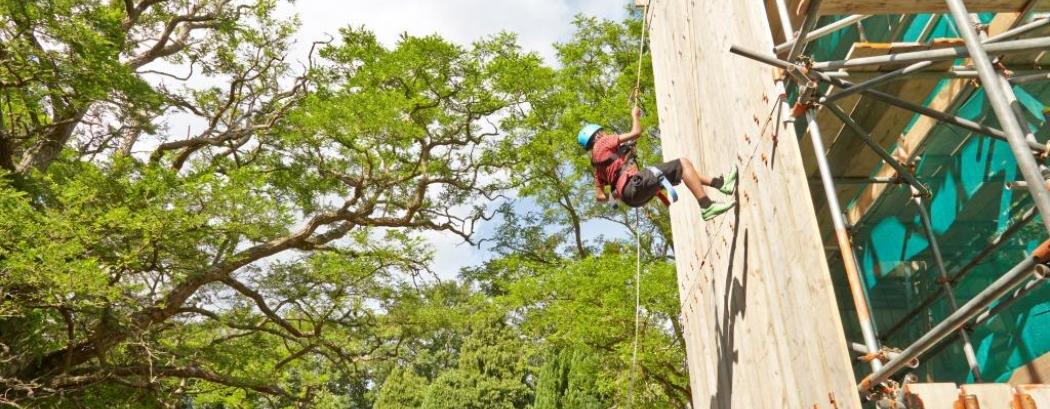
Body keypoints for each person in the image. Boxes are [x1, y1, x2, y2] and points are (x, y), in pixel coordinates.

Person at [578, 106, 737, 221]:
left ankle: (721, 184)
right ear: (597, 135)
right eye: (602, 132)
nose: (605, 133)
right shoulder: (603, 142)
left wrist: (615, 191)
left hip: (632, 199)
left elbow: (600, 197)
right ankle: (706, 206)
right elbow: (636, 133)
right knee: (683, 164)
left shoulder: (597, 167)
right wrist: (635, 115)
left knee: (681, 173)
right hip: (633, 186)